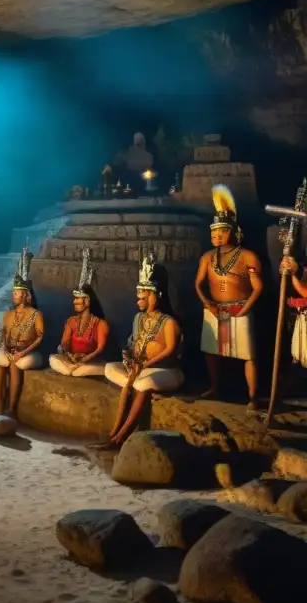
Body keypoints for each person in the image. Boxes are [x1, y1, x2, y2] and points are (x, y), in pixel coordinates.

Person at [94, 253, 183, 450]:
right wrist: (129, 359)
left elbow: (170, 350)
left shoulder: (168, 322)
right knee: (112, 369)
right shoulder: (138, 319)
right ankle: (113, 435)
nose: (138, 301)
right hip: (141, 369)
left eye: (143, 297)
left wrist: (145, 365)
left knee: (142, 383)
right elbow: (133, 345)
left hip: (166, 370)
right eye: (138, 297)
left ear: (155, 296)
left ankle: (120, 438)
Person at [194, 185, 263, 409]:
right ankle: (214, 387)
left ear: (234, 232)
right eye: (213, 232)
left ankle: (253, 396)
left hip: (240, 307)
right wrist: (208, 304)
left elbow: (258, 287)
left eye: (221, 231)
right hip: (214, 309)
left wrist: (245, 309)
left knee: (248, 355)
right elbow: (198, 284)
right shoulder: (206, 257)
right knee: (211, 352)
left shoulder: (247, 256)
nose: (216, 236)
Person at [0, 244, 44, 417]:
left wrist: (23, 353)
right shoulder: (8, 314)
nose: (14, 296)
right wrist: (3, 348)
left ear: (26, 295)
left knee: (15, 365)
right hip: (10, 350)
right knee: (1, 366)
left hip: (28, 352)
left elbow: (39, 338)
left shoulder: (36, 314)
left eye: (17, 293)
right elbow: (3, 334)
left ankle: (11, 408)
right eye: (13, 293)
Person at [48, 248, 109, 378]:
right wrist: (70, 355)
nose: (74, 302)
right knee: (53, 359)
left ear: (87, 301)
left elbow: (100, 349)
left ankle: (75, 370)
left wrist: (85, 359)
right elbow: (64, 343)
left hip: (91, 362)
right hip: (73, 360)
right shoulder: (71, 321)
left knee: (84, 369)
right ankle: (73, 369)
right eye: (74, 299)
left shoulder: (100, 324)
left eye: (77, 299)